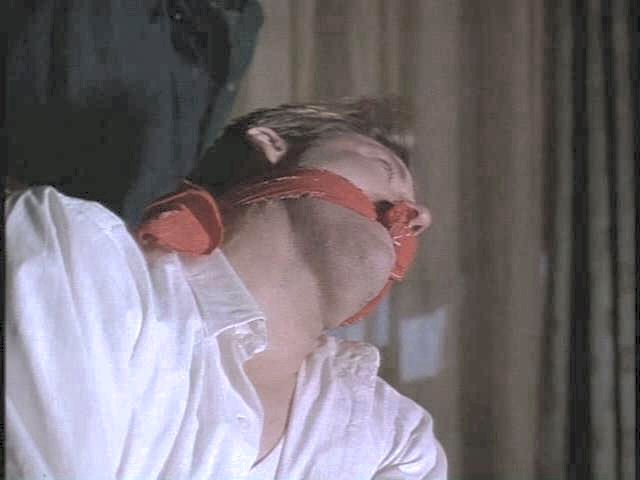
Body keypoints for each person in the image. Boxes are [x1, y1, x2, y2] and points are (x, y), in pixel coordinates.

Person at [5, 98, 448, 479]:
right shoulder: (79, 258)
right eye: (385, 167)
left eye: (419, 212)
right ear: (271, 144)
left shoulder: (398, 441)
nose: (417, 216)